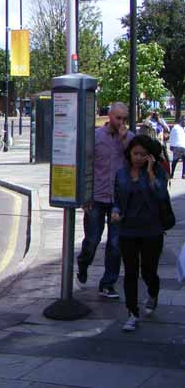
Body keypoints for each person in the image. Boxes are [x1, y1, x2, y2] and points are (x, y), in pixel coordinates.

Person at [112, 135, 170, 331]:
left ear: (150, 157)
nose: (138, 157)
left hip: (152, 231)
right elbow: (117, 200)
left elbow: (162, 195)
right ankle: (132, 313)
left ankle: (153, 293)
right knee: (129, 272)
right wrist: (115, 211)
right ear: (129, 154)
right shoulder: (121, 174)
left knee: (148, 271)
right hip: (128, 230)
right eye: (135, 153)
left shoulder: (156, 173)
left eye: (143, 155)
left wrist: (152, 172)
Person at [77, 101, 134, 298]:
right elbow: (85, 165)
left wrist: (125, 139)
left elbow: (134, 161)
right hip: (97, 197)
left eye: (124, 119)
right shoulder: (95, 136)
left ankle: (108, 283)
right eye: (118, 118)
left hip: (118, 199)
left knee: (115, 243)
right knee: (92, 239)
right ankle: (83, 263)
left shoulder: (129, 139)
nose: (120, 122)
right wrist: (85, 196)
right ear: (109, 116)